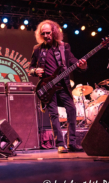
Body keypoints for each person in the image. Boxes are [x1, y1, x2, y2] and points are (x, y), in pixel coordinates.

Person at [29, 20, 87, 153]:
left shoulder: (64, 46)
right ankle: (60, 144)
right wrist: (35, 70)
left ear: (54, 32)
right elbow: (30, 67)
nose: (46, 36)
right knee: (53, 115)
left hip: (63, 85)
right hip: (47, 87)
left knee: (71, 110)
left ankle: (72, 143)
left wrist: (82, 65)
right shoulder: (37, 49)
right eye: (43, 33)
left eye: (48, 33)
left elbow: (73, 61)